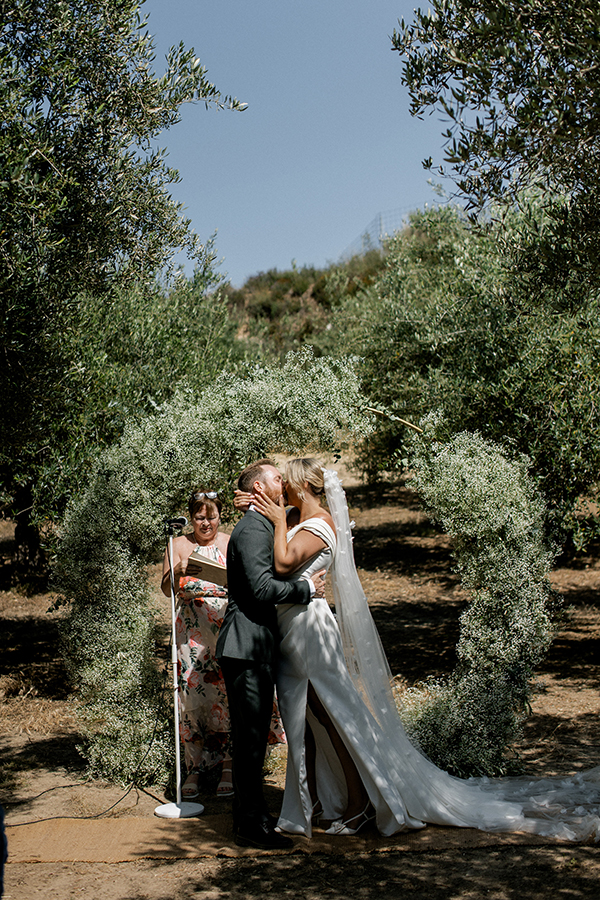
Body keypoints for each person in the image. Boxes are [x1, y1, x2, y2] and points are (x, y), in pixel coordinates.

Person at [250, 458, 600, 842]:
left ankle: (361, 803)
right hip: (294, 627)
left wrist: (279, 521)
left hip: (310, 630)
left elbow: (283, 564)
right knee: (312, 718)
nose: (280, 489)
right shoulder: (300, 517)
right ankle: (316, 800)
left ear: (301, 487)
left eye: (286, 483)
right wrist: (260, 509)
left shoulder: (317, 524)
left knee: (335, 718)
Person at [216, 459, 326, 850]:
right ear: (261, 488)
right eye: (277, 478)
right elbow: (262, 589)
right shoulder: (250, 530)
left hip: (255, 645)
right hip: (245, 646)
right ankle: (251, 825)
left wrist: (257, 497)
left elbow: (300, 509)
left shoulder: (265, 521)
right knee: (250, 739)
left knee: (255, 737)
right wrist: (305, 590)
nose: (284, 482)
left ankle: (251, 817)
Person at [161, 489, 286, 800]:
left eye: (212, 517)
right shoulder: (177, 545)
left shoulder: (231, 542)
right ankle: (195, 766)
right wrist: (175, 572)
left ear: (220, 516)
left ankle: (228, 765)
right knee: (192, 700)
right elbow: (166, 590)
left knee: (227, 699)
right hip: (192, 637)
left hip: (228, 633)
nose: (206, 524)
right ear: (191, 518)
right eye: (200, 518)